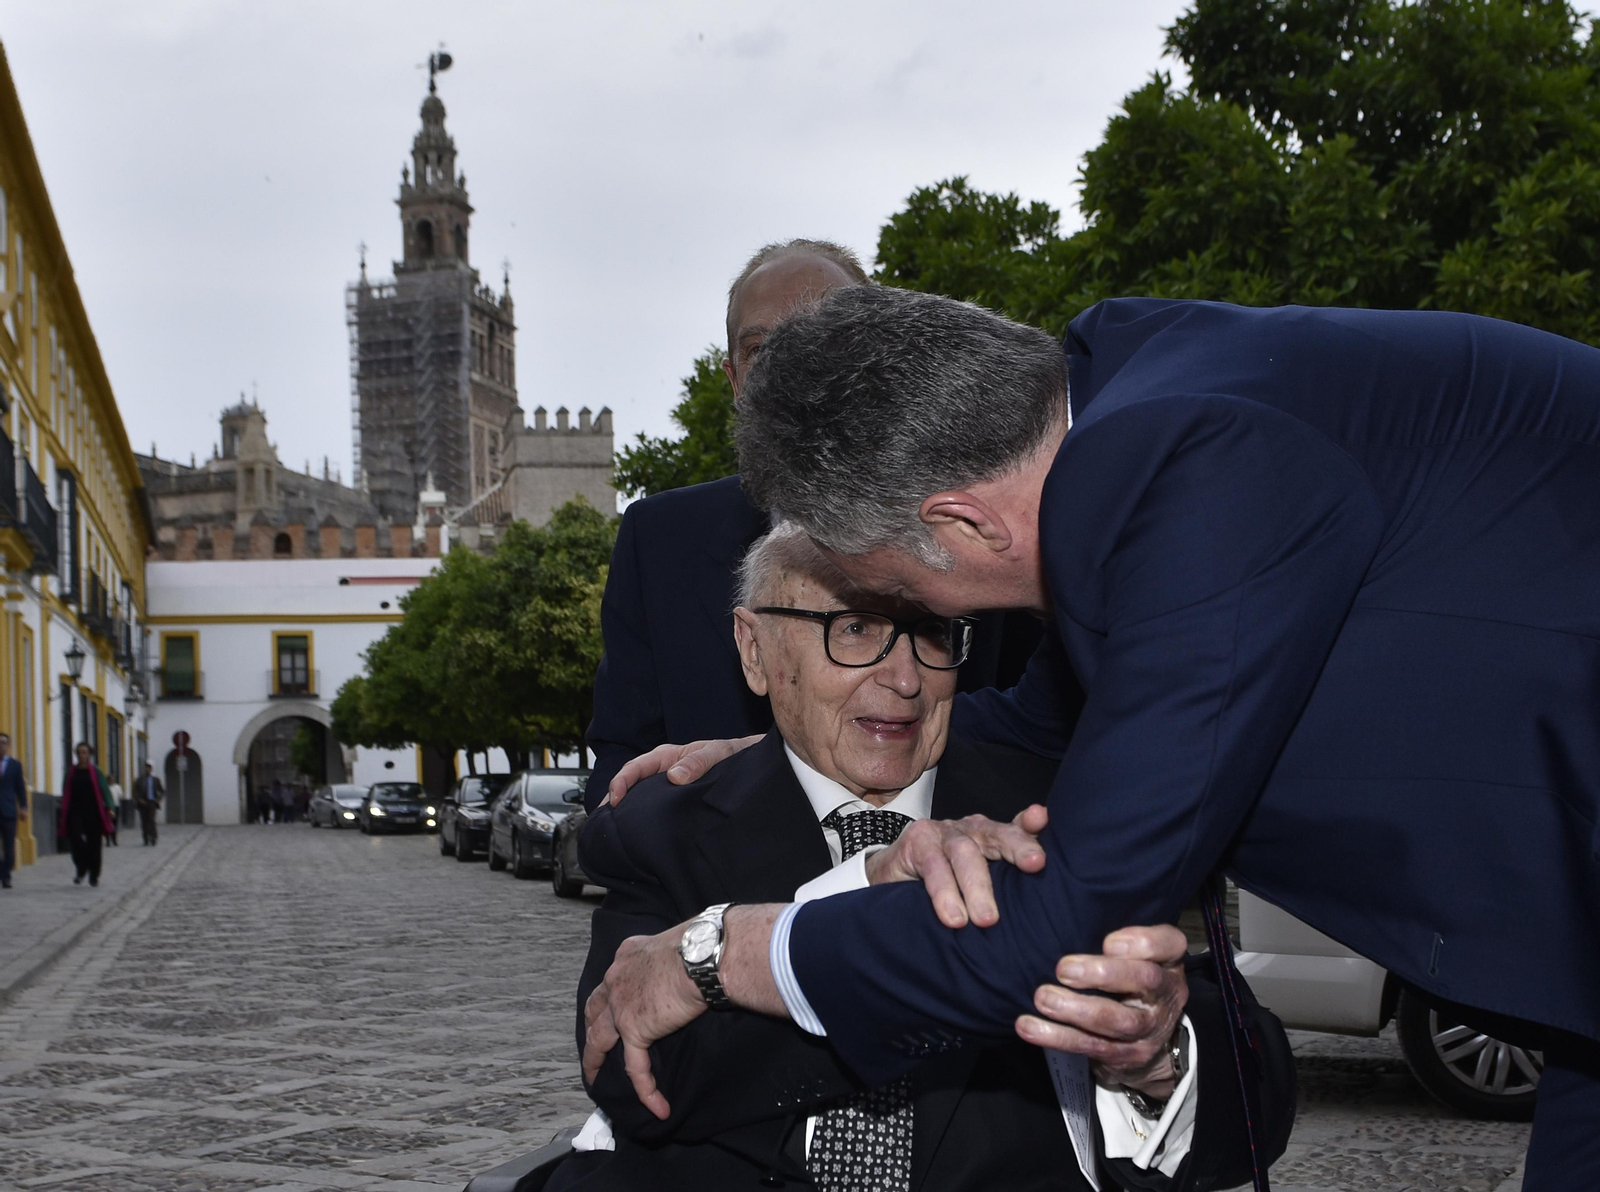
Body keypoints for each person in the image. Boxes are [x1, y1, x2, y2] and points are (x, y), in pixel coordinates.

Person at [592, 290, 1600, 1190]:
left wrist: (718, 951)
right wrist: (768, 743)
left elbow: (1060, 918)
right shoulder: (1122, 402)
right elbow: (1043, 716)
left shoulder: (1196, 470)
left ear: (965, 526)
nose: (903, 639)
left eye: (901, 593)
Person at [557, 527, 1292, 1191]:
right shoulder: (667, 827)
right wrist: (864, 900)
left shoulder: (1062, 814)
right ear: (755, 650)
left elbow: (1253, 1091)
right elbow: (637, 1080)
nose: (906, 678)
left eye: (931, 633)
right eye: (853, 629)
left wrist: (1160, 1060)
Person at [583, 239, 1047, 812]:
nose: (795, 374)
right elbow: (619, 768)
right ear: (733, 380)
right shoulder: (658, 541)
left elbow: (1046, 723)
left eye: (832, 343)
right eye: (763, 351)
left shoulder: (983, 521)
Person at [59, 742, 114, 887]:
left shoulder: (95, 771)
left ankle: (94, 875)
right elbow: (65, 790)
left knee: (95, 844)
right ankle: (81, 868)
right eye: (79, 752)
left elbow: (104, 790)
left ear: (89, 754)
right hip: (75, 811)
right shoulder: (71, 772)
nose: (81, 755)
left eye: (84, 752)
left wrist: (110, 807)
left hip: (93, 811)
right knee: (75, 840)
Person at [0, 732, 27, 889]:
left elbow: (20, 788)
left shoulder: (15, 765)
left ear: (8, 746)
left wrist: (24, 806)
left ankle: (6, 875)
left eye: (3, 743)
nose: (1, 746)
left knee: (9, 847)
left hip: (9, 810)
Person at [134, 763, 164, 846]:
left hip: (152, 802)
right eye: (146, 768)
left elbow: (162, 791)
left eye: (148, 769)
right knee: (144, 821)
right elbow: (135, 792)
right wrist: (139, 799)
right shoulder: (139, 780)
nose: (147, 770)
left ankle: (153, 838)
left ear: (151, 770)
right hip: (143, 802)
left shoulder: (155, 780)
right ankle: (145, 838)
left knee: (151, 820)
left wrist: (158, 799)